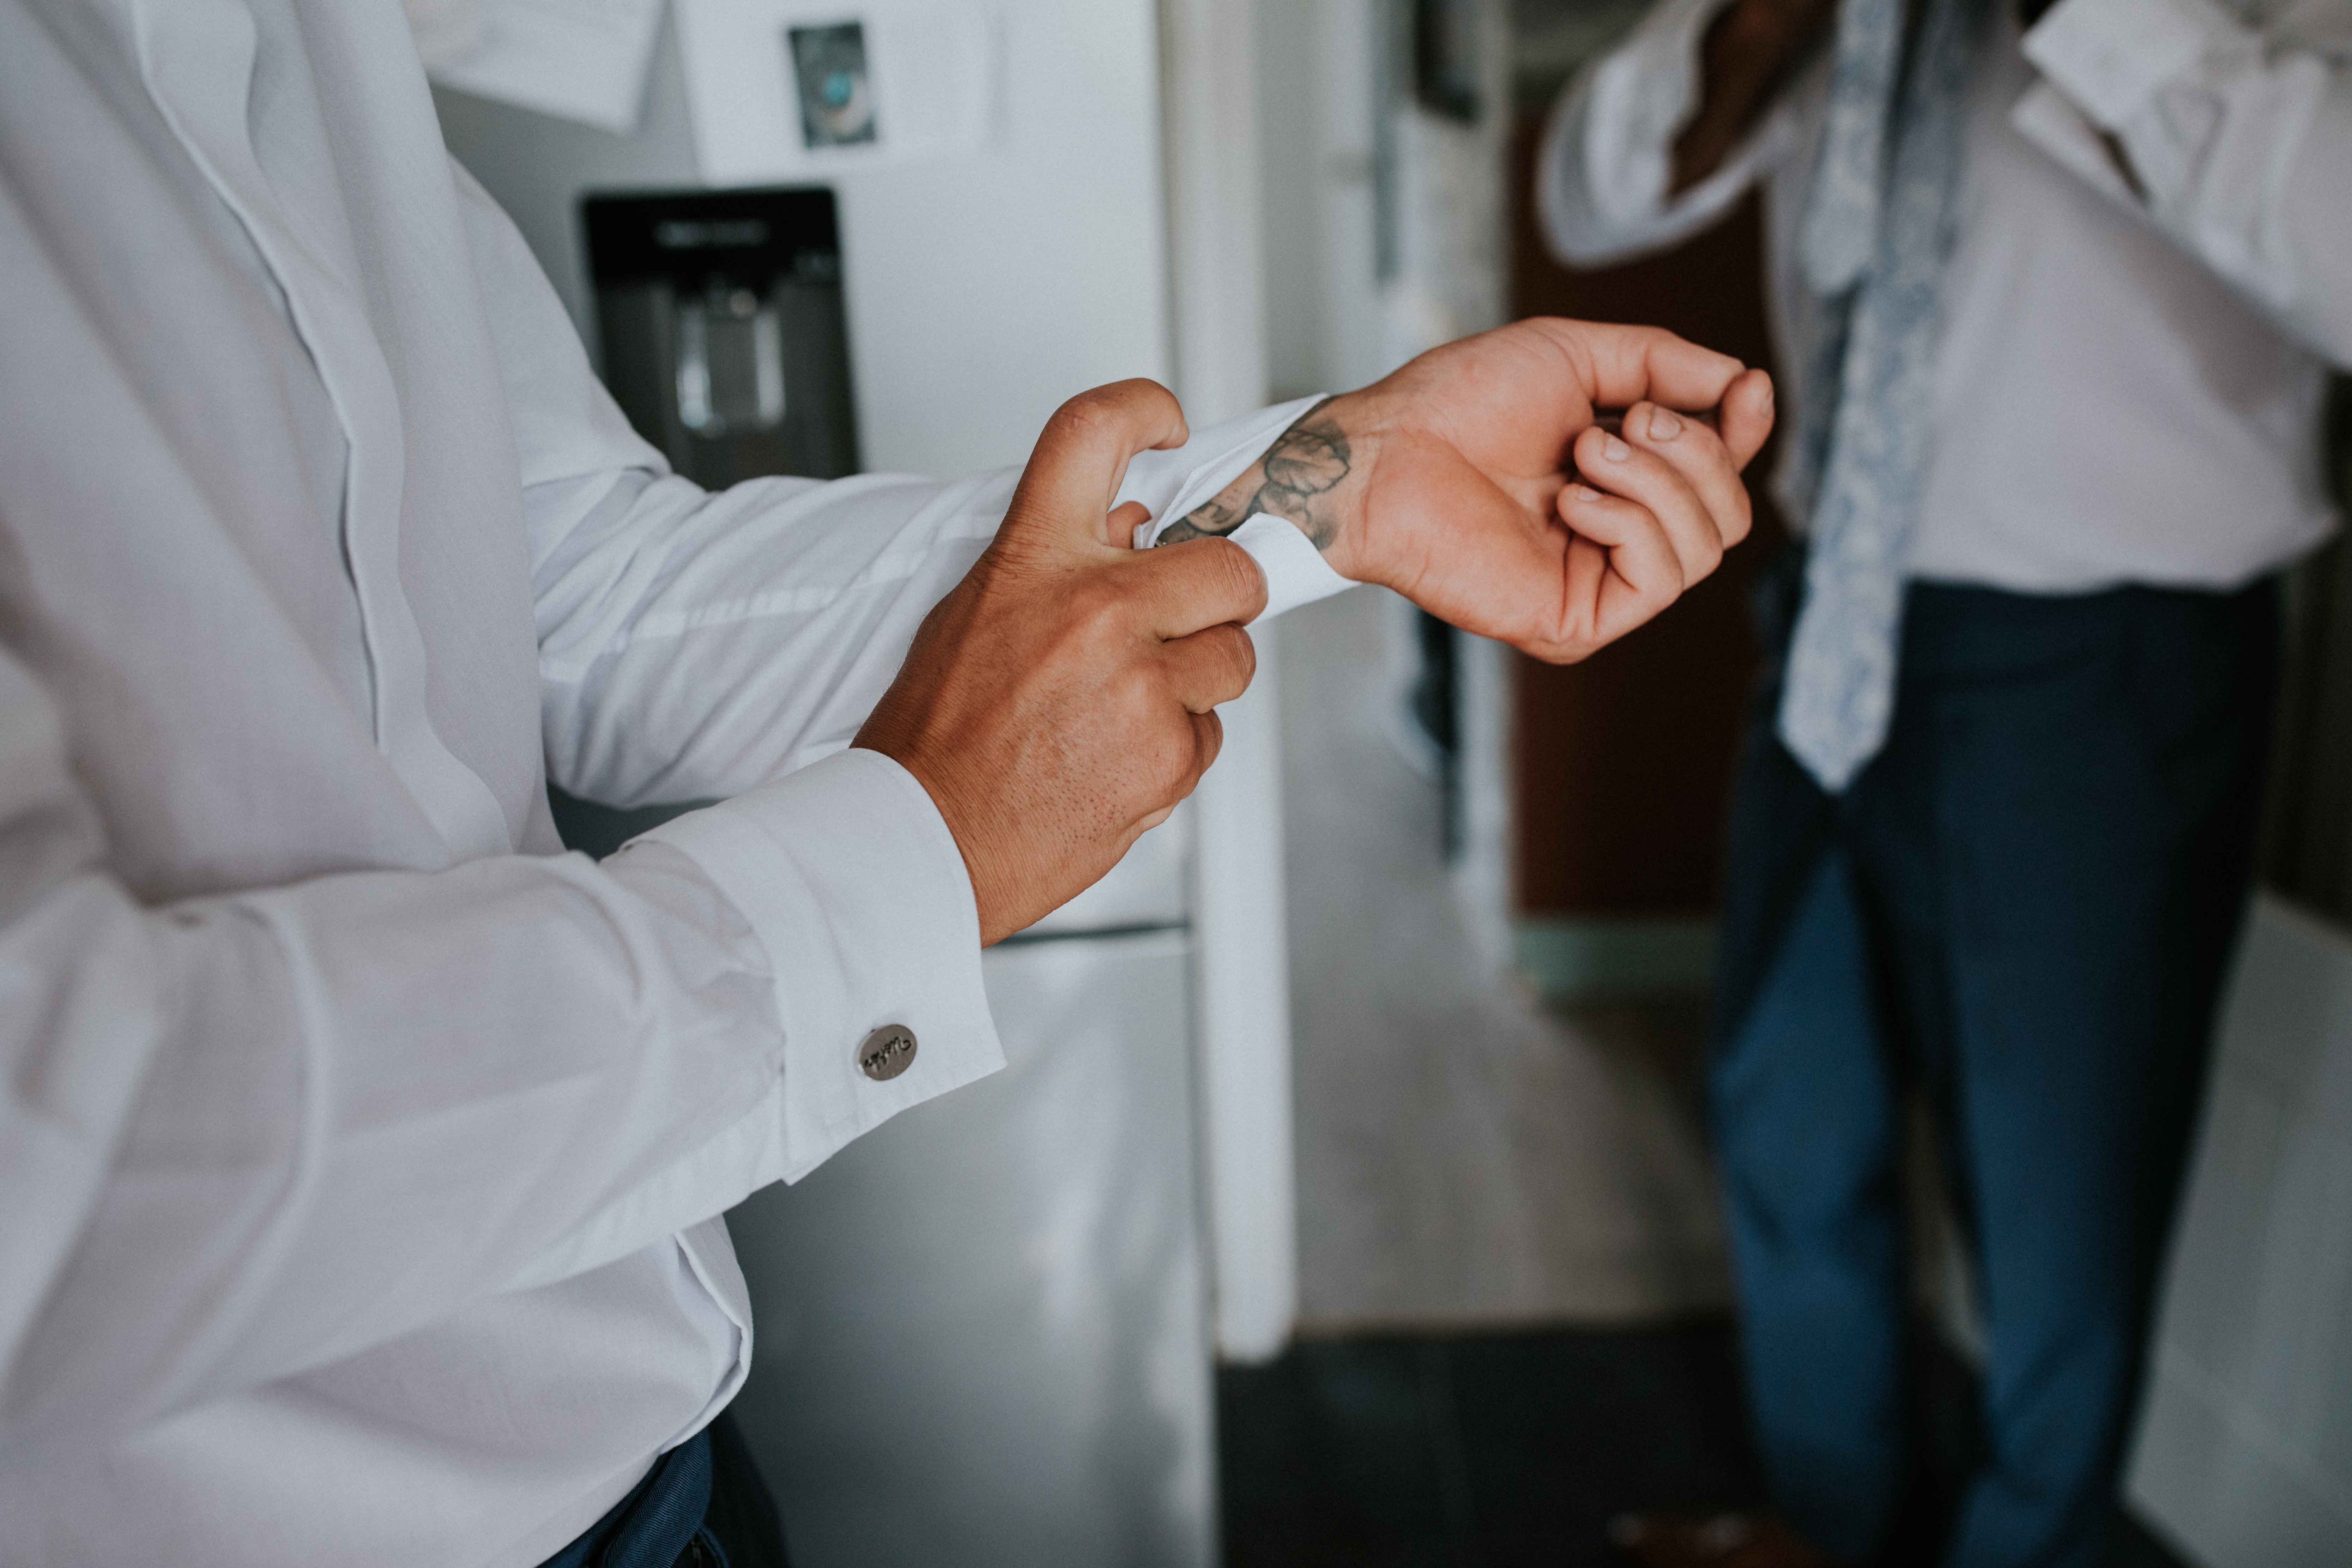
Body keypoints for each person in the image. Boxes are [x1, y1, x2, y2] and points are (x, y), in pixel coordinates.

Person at [0, 3, 1773, 1564]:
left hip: (661, 1463)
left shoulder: (305, 36)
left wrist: (1341, 480)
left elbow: (577, 584)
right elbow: (56, 1168)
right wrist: (913, 860)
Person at [1541, 0, 2351, 1564]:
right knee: (1786, 1117)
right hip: (1829, 602)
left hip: (2099, 661)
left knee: (2057, 1218)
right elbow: (1586, 191)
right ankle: (1836, 1535)